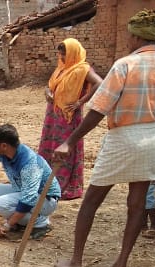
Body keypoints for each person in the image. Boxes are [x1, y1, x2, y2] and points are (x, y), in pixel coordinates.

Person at [52, 9, 155, 267]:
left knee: (92, 200)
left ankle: (76, 260)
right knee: (136, 204)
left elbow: (99, 108)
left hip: (123, 137)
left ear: (136, 37)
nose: (126, 40)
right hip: (154, 136)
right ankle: (120, 265)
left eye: (128, 35)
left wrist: (70, 141)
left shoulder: (125, 65)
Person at [37, 38, 102, 200]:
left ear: (73, 53)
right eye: (59, 54)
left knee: (65, 147)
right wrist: (48, 92)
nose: (61, 57)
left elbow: (99, 83)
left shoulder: (82, 69)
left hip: (68, 116)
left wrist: (81, 102)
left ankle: (63, 184)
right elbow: (51, 85)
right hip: (53, 114)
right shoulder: (61, 68)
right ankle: (46, 181)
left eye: (64, 54)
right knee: (50, 145)